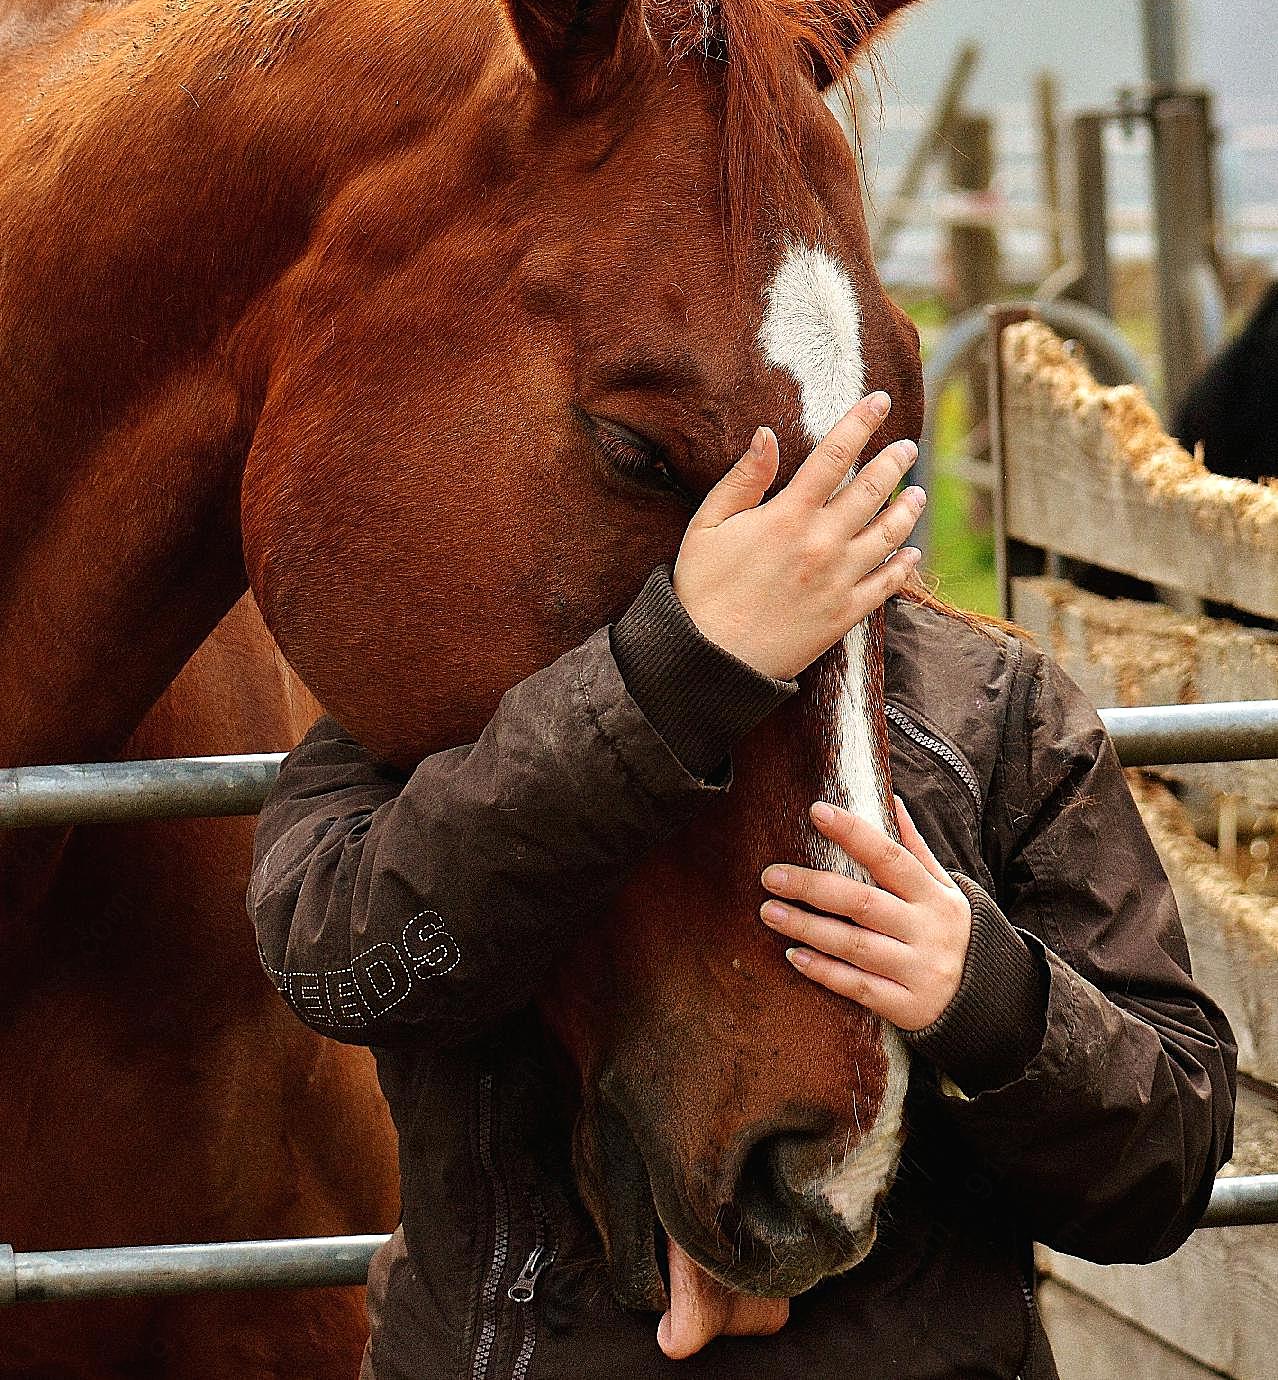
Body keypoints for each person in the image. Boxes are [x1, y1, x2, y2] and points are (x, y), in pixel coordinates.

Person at [247, 394, 1236, 1380]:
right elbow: (333, 960)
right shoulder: (441, 666)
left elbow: (1168, 1157)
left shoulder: (990, 707)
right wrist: (671, 677)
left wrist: (989, 998)